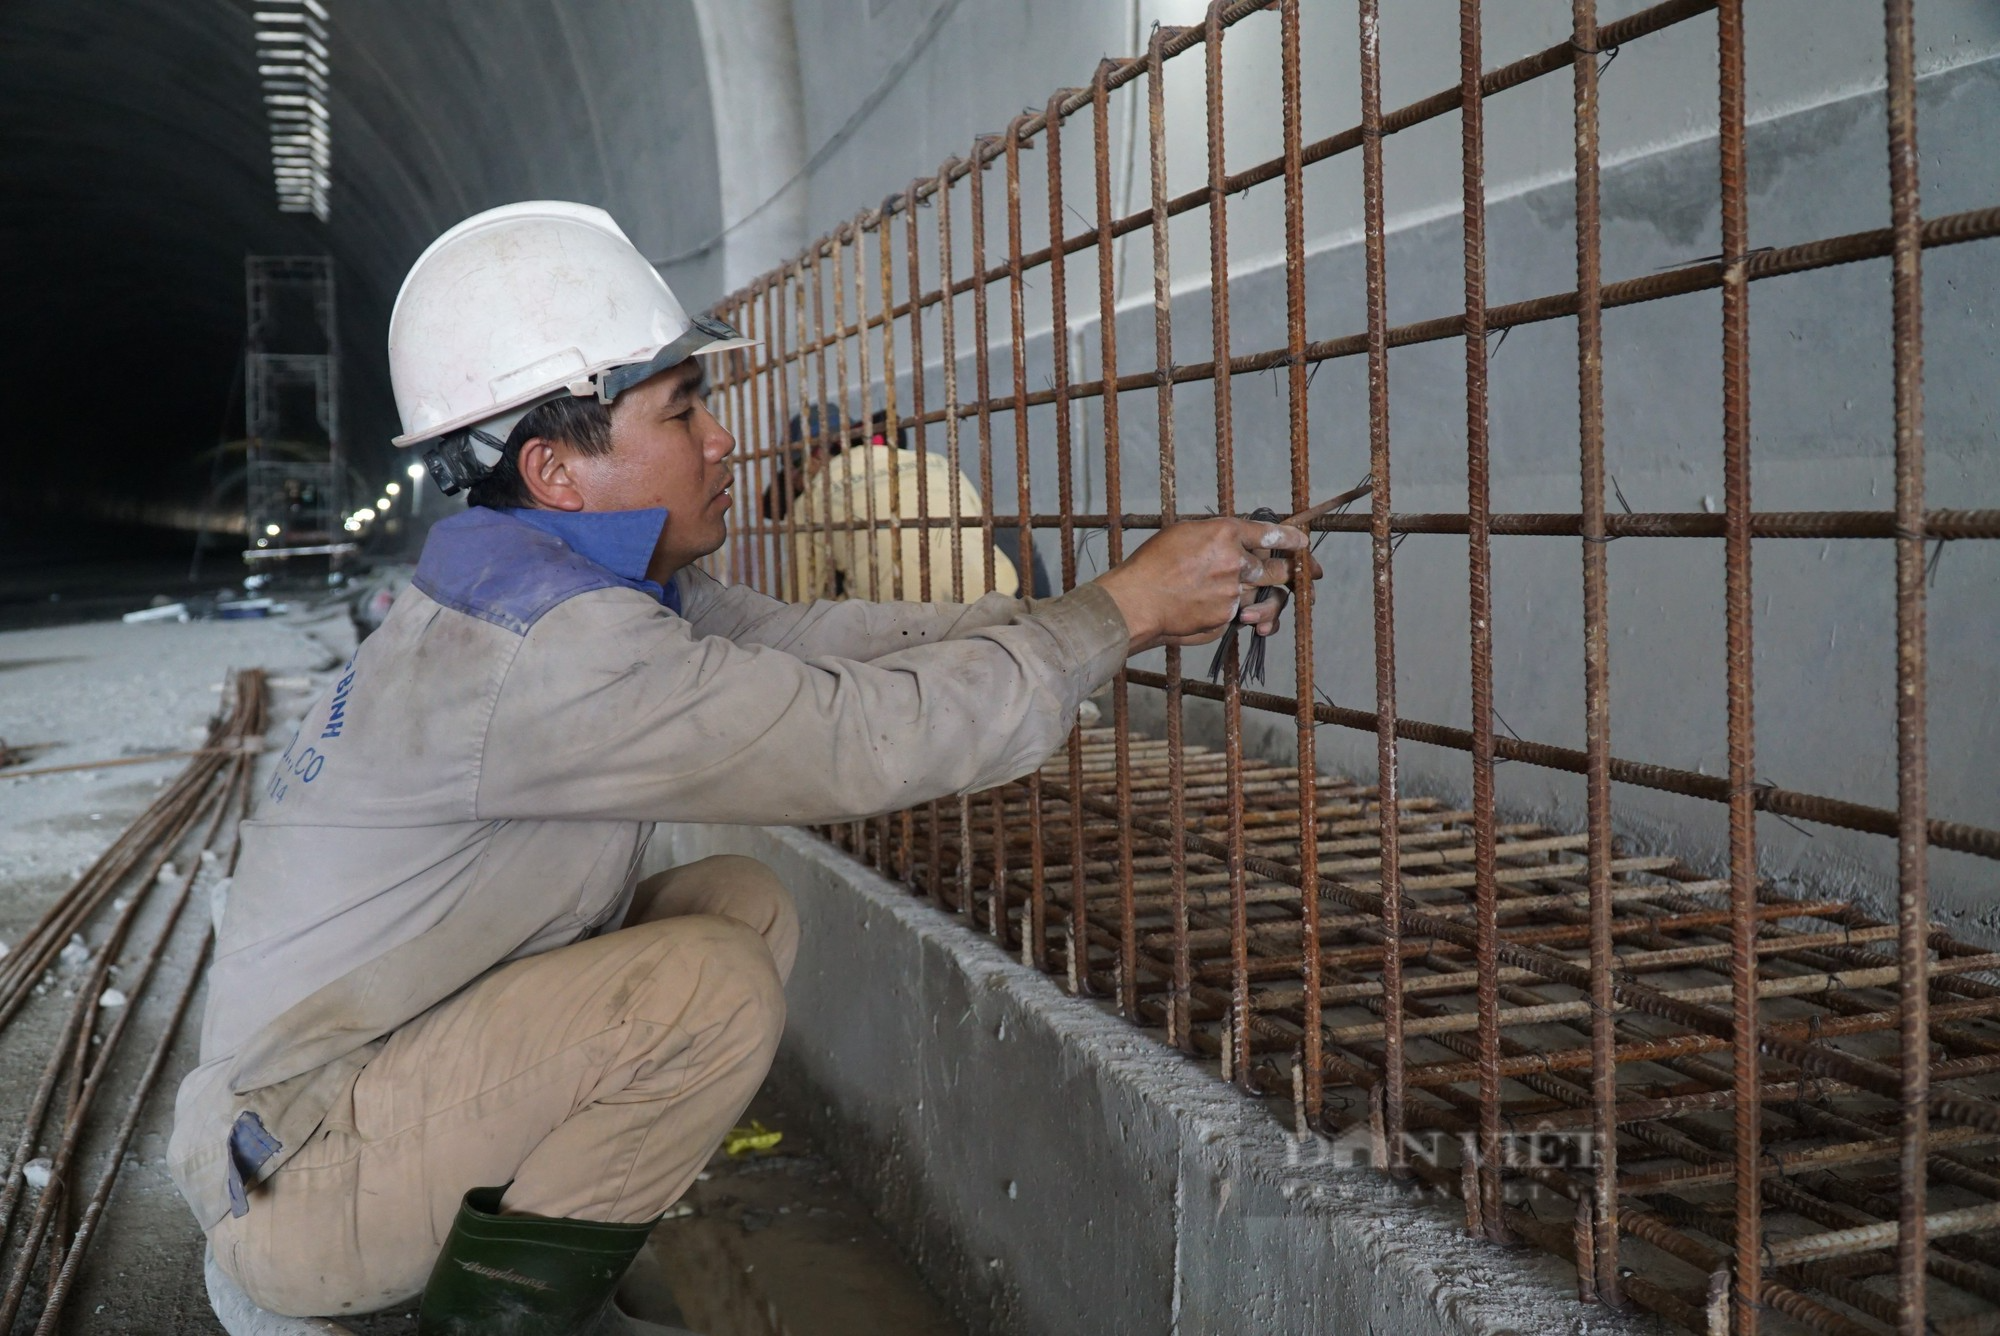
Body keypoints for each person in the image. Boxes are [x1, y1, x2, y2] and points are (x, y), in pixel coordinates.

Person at [170, 201, 1316, 1336]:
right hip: (300, 1172)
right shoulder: (549, 656)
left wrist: (1088, 616)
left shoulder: (560, 589)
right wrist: (1117, 613)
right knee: (705, 991)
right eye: (681, 410)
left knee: (738, 908)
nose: (721, 439)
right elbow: (860, 735)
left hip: (364, 1090)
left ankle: (550, 1289)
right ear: (556, 468)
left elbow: (829, 649)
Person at [781, 404, 1022, 602]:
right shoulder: (933, 460)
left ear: (813, 458)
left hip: (908, 625)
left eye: (792, 473)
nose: (796, 486)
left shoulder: (812, 499)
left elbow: (799, 605)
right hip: (999, 599)